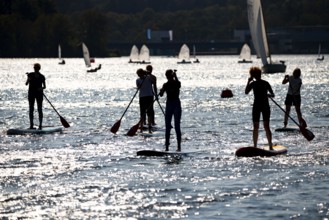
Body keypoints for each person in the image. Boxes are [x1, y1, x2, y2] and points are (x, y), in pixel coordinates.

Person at [245, 67, 275, 150]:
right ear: (253, 75)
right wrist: (248, 81)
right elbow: (246, 92)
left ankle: (270, 145)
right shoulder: (253, 84)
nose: (257, 76)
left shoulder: (266, 83)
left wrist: (269, 95)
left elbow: (273, 94)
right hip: (256, 106)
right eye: (255, 75)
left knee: (266, 126)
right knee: (255, 126)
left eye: (258, 74)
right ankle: (255, 146)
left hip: (265, 106)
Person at [159, 69, 182, 152]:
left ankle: (179, 146)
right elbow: (161, 95)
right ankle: (167, 147)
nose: (168, 77)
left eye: (170, 76)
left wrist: (175, 76)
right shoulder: (165, 85)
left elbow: (178, 85)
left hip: (176, 105)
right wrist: (161, 91)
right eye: (167, 76)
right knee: (167, 126)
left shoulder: (177, 83)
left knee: (177, 126)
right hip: (169, 105)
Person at [25, 63, 46, 130]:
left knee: (39, 109)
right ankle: (31, 125)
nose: (35, 69)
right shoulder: (30, 75)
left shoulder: (42, 76)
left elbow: (44, 87)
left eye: (36, 68)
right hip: (31, 94)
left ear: (39, 68)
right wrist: (28, 79)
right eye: (34, 68)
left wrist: (41, 88)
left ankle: (40, 125)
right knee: (31, 109)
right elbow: (26, 84)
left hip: (39, 94)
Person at [136, 68, 155, 133]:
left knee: (149, 111)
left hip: (149, 96)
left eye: (139, 74)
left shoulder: (148, 77)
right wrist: (139, 86)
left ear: (142, 73)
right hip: (142, 97)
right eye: (138, 74)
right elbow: (138, 87)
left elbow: (153, 81)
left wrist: (149, 74)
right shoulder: (138, 80)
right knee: (142, 112)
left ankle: (149, 125)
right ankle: (141, 126)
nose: (138, 76)